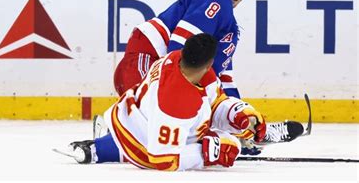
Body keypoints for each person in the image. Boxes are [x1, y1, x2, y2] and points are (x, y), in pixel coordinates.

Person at [104, 0, 304, 151]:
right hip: (147, 60)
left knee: (186, 130)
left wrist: (240, 118)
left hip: (155, 68)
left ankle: (253, 132)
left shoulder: (227, 26)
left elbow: (223, 80)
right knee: (157, 138)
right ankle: (108, 136)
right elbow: (179, 50)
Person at [58, 33, 267, 170]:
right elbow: (162, 160)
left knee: (224, 135)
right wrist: (210, 153)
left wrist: (239, 114)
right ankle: (101, 149)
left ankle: (97, 149)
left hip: (136, 118)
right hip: (141, 143)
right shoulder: (175, 102)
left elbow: (214, 100)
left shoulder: (177, 58)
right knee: (227, 143)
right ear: (210, 63)